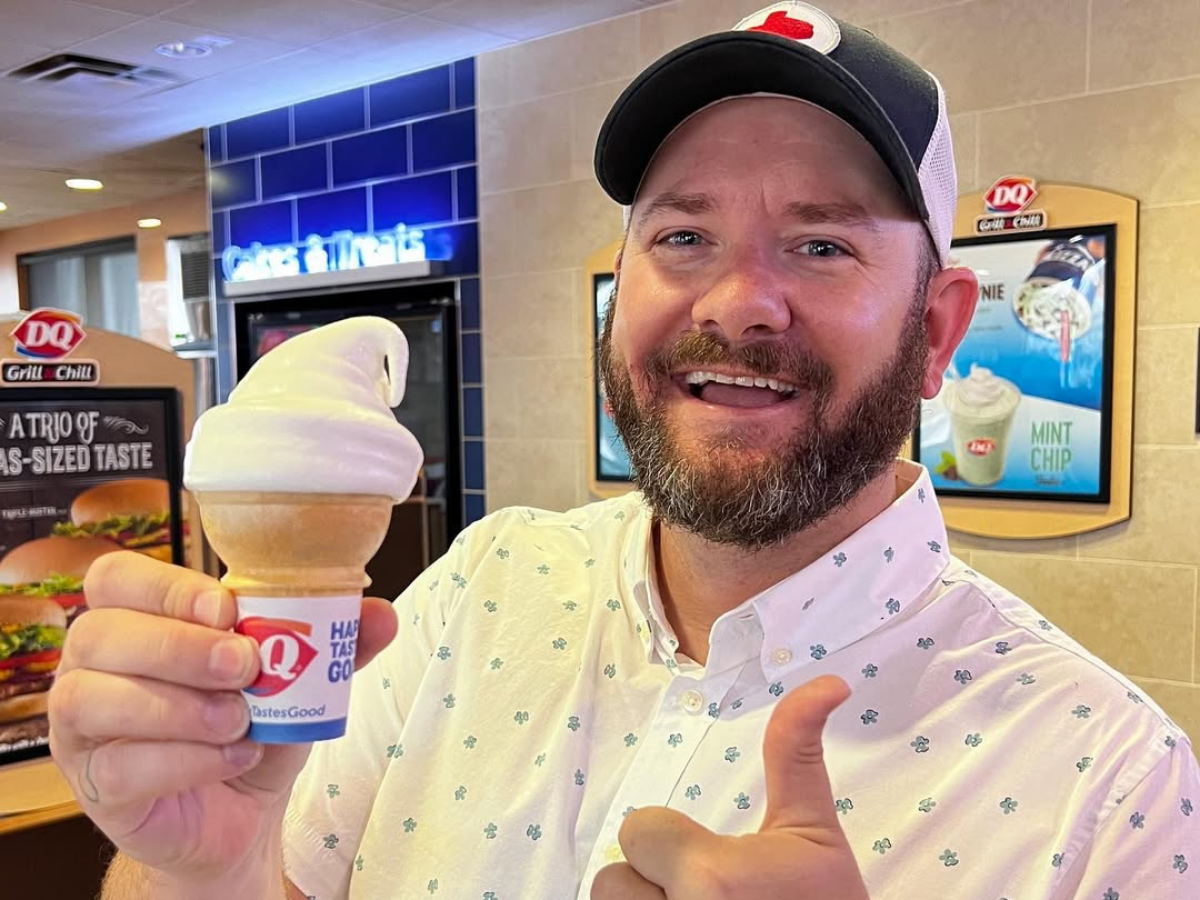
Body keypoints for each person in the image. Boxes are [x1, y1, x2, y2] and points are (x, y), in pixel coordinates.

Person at [50, 3, 1198, 899]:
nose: (742, 302)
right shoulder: (475, 594)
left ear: (939, 327)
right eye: (684, 234)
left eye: (820, 245)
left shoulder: (1110, 782)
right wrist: (206, 870)